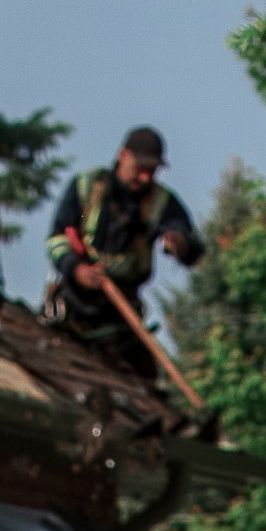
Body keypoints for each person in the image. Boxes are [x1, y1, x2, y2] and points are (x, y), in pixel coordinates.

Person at [45, 126, 199, 375]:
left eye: (153, 171)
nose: (146, 178)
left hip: (123, 320)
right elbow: (59, 237)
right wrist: (76, 270)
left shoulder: (161, 204)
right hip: (74, 308)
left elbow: (187, 241)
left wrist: (179, 244)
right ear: (123, 156)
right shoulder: (87, 190)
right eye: (141, 169)